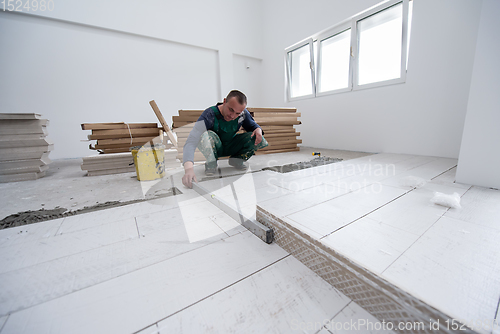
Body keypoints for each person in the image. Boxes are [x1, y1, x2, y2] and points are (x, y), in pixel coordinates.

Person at [182, 90, 268, 188]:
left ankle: (237, 160)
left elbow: (253, 126)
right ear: (224, 101)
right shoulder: (209, 115)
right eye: (231, 110)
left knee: (258, 137)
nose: (233, 116)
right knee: (207, 136)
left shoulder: (243, 114)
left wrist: (258, 129)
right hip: (216, 148)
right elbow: (191, 141)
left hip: (231, 145)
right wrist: (188, 170)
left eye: (237, 113)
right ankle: (211, 164)